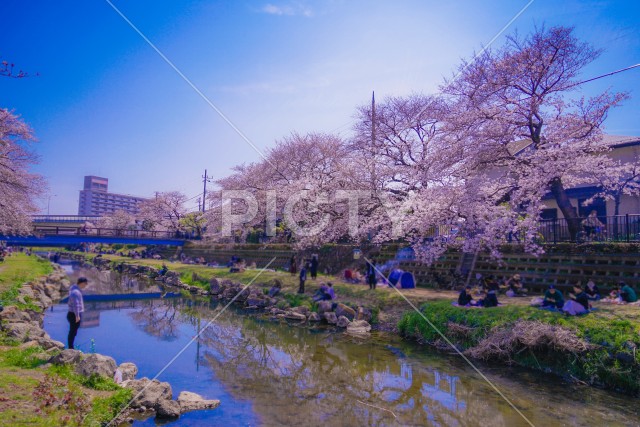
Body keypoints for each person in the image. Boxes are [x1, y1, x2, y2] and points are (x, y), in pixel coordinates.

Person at [67, 277, 88, 350]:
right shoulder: (76, 292)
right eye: (85, 284)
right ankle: (71, 347)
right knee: (73, 331)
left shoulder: (74, 289)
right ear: (82, 283)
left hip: (72, 314)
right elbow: (76, 305)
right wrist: (77, 316)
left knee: (73, 331)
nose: (86, 285)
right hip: (74, 314)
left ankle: (71, 346)